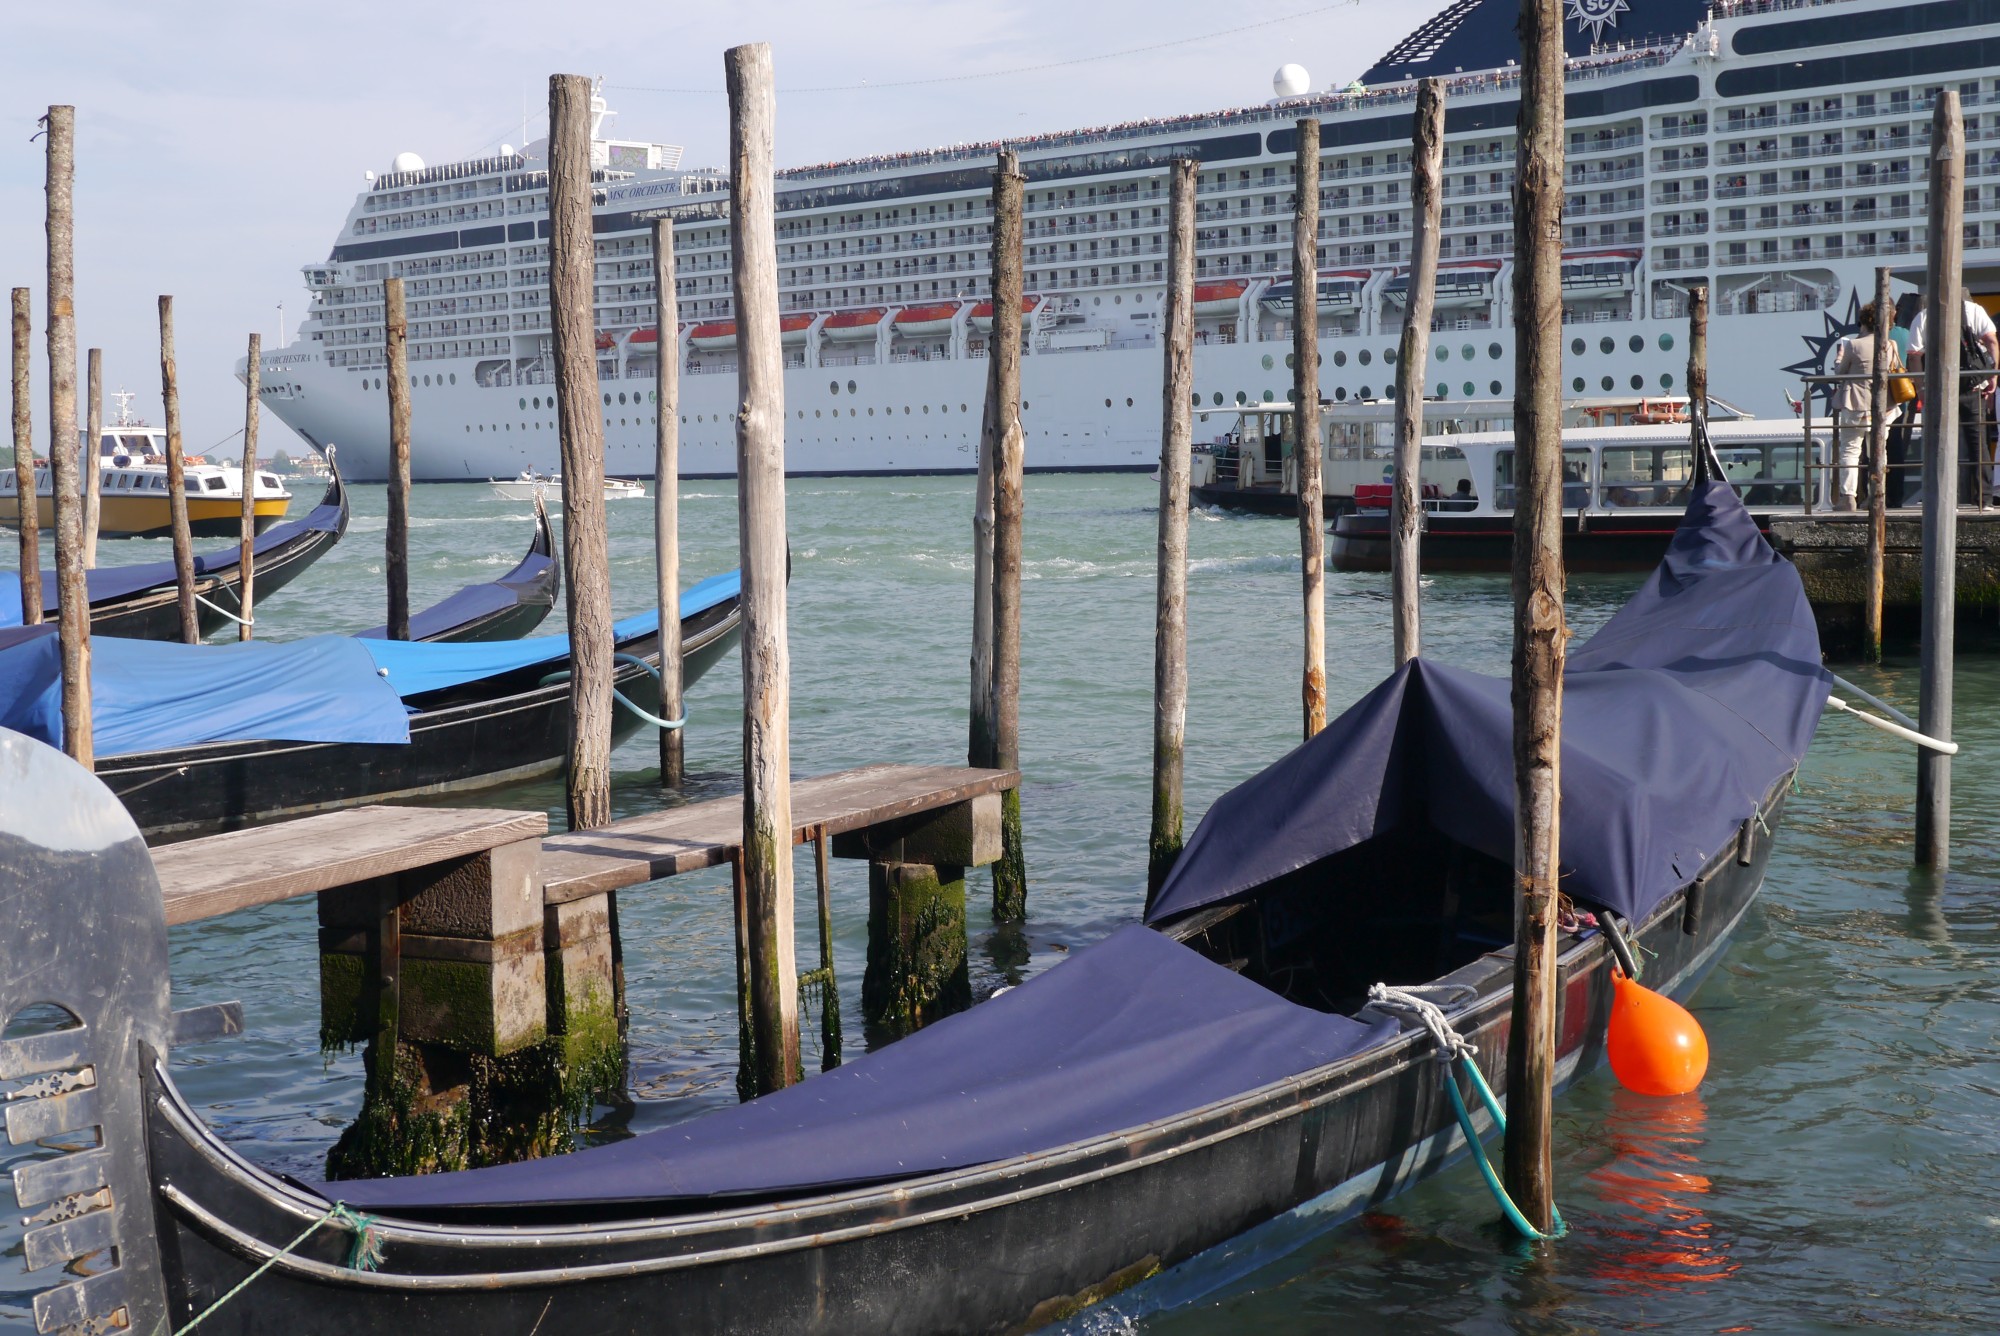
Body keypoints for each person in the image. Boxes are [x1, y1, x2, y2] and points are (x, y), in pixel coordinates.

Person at [1907, 294, 2000, 504]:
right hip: (1973, 387)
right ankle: (1983, 500)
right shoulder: (1974, 311)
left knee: (1941, 444)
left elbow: (1914, 355)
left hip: (1938, 390)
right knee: (1978, 444)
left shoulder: (1923, 316)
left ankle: (1943, 500)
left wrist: (1921, 389)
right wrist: (1992, 376)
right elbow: (1991, 341)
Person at [1830, 301, 1899, 510]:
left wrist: (1839, 357)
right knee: (1878, 451)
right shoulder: (1891, 344)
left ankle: (1848, 498)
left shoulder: (1853, 345)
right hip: (1883, 406)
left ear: (1864, 321)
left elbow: (1840, 373)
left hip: (1855, 404)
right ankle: (1876, 495)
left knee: (1850, 450)